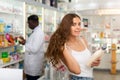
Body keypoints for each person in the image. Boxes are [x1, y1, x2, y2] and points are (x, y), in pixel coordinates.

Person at [45, 13, 100, 80]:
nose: (78, 27)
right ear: (66, 27)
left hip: (90, 77)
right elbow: (77, 71)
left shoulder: (83, 40)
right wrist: (63, 47)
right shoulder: (63, 46)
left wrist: (93, 63)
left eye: (79, 24)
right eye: (74, 24)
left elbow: (85, 64)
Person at [18, 15, 44, 80]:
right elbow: (33, 43)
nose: (28, 25)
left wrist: (24, 43)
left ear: (34, 22)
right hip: (31, 65)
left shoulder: (39, 33)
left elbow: (34, 49)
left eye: (29, 23)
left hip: (34, 66)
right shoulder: (35, 32)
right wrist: (25, 41)